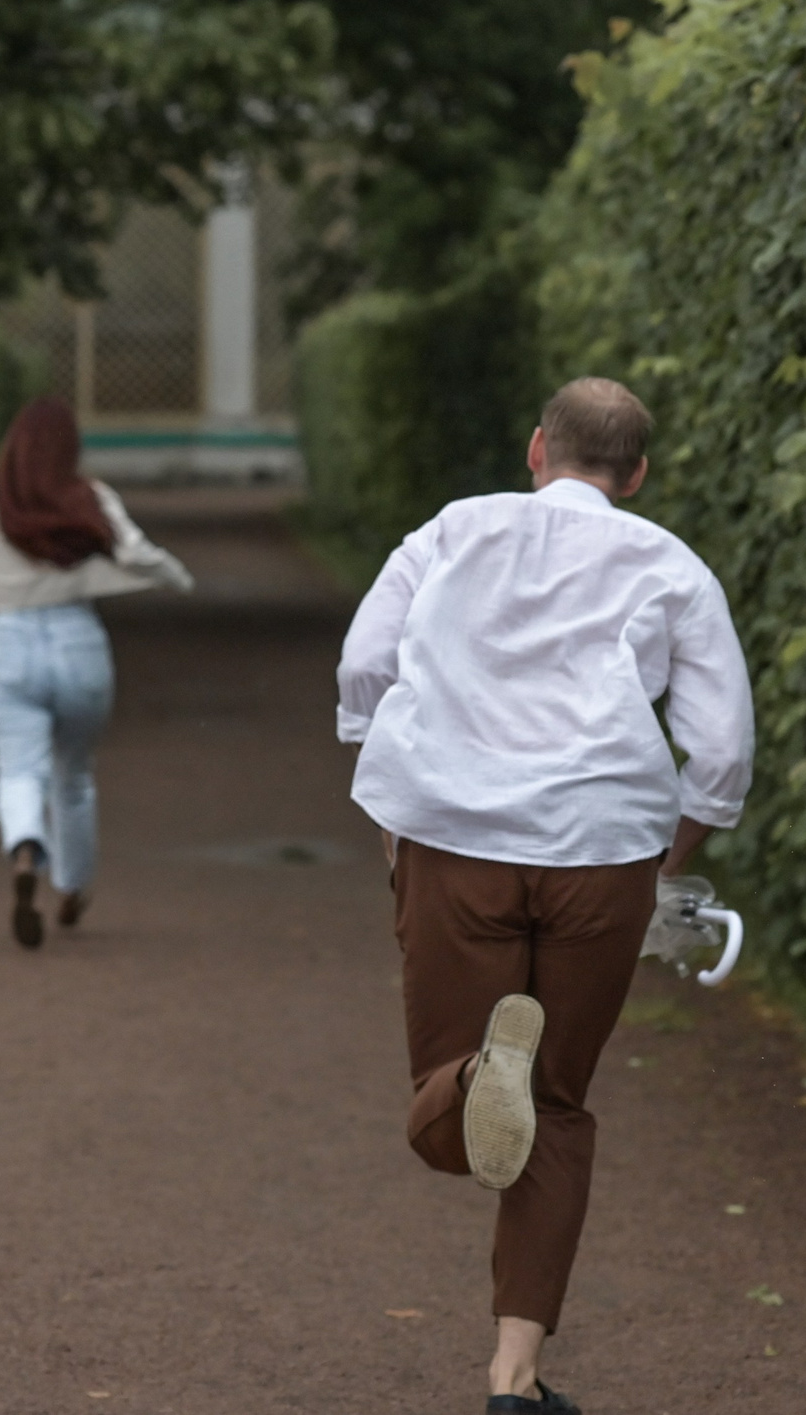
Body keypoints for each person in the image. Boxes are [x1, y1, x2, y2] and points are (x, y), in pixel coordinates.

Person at [335, 377, 756, 1415]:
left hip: (453, 836)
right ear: (638, 473)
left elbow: (362, 668)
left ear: (536, 448)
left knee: (447, 1095)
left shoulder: (449, 531)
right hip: (602, 854)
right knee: (556, 1110)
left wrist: (393, 809)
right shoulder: (670, 564)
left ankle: (483, 1067)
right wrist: (666, 861)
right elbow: (723, 746)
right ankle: (512, 1377)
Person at [0, 397, 193, 949]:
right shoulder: (90, 499)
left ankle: (26, 848)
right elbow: (136, 553)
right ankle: (71, 890)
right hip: (78, 645)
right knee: (74, 775)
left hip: (11, 642)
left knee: (19, 768)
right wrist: (177, 577)